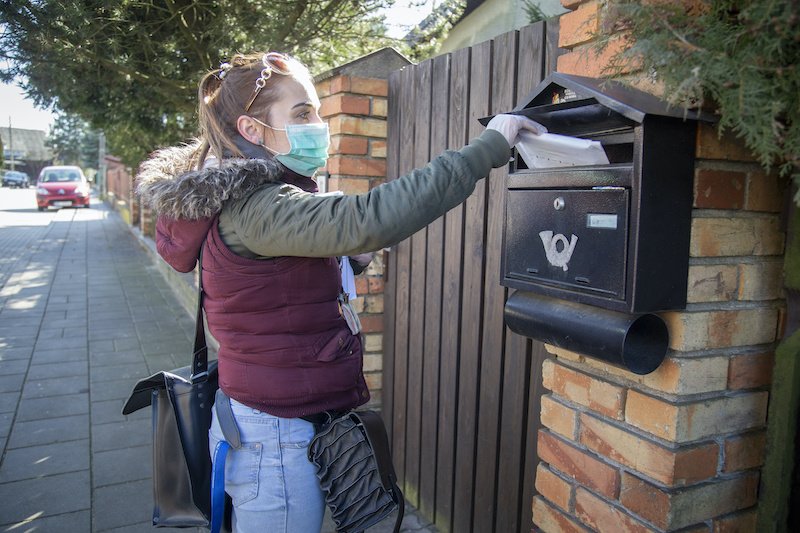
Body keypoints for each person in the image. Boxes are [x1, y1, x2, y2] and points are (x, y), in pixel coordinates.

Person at [135, 51, 544, 533]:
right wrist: (489, 147)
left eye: (318, 111)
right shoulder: (257, 204)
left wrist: (344, 256)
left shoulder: (261, 197)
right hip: (276, 439)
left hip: (280, 419)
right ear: (252, 130)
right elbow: (366, 218)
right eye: (302, 113)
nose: (318, 124)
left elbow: (269, 281)